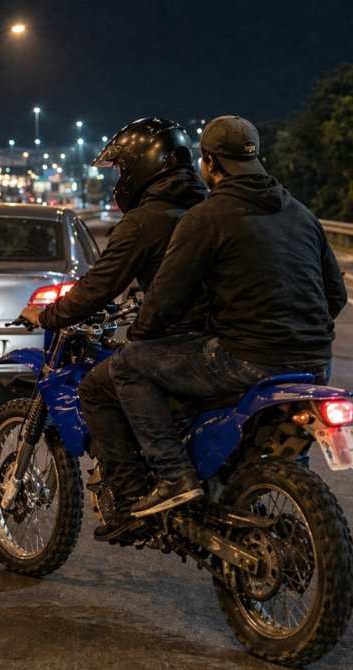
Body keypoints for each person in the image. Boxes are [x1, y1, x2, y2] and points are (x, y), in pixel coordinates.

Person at [109, 115, 347, 520]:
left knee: (129, 365)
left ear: (209, 164)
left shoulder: (205, 217)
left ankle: (174, 476)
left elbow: (164, 300)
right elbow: (336, 295)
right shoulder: (303, 215)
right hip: (315, 363)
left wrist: (139, 333)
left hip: (247, 359)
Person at [18, 117, 209, 541]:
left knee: (100, 384)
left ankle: (129, 500)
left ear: (146, 166)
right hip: (226, 341)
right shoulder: (207, 207)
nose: (120, 180)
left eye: (122, 170)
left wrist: (48, 315)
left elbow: (99, 287)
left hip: (183, 343)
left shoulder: (144, 221)